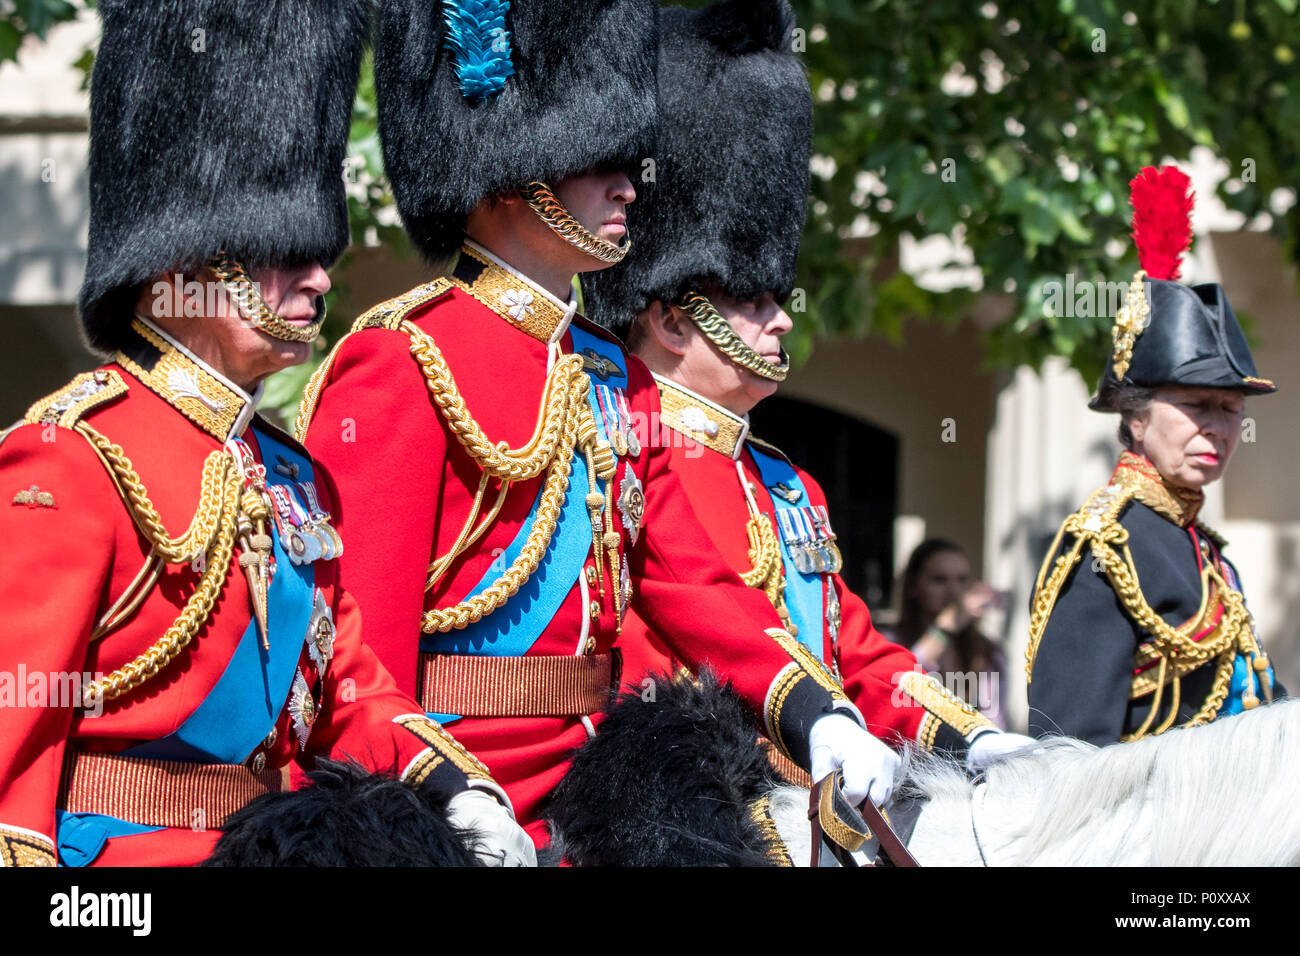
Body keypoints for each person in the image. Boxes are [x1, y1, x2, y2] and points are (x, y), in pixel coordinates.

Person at [299, 0, 903, 847]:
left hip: (607, 802)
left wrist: (815, 714)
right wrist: (432, 813)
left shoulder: (612, 375)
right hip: (463, 803)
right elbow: (358, 656)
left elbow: (690, 580)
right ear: (515, 164)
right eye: (597, 160)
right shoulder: (402, 360)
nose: (629, 185)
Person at [0, 0, 528, 867]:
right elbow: (13, 744)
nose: (320, 276)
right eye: (284, 250)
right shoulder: (71, 457)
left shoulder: (293, 479)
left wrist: (452, 786)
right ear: (186, 259)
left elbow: (348, 689)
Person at [582, 0, 1034, 778]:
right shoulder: (616, 449)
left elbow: (855, 653)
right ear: (671, 321)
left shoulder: (789, 489)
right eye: (752, 302)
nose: (781, 321)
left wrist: (975, 738)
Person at [1027, 165, 1286, 745]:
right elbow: (1070, 754)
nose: (1217, 428)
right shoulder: (1105, 546)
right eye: (1196, 406)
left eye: (1229, 409)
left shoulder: (1205, 549)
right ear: (1135, 416)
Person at [891, 539, 1007, 726]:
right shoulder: (890, 642)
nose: (954, 591)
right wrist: (945, 628)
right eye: (939, 580)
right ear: (914, 586)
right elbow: (901, 685)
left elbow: (996, 723)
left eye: (962, 580)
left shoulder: (988, 653)